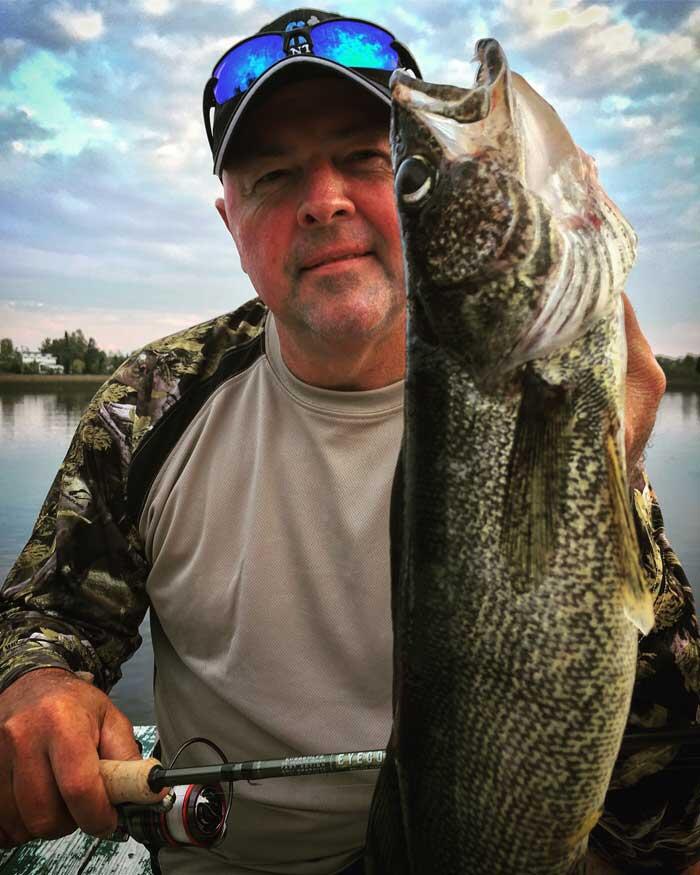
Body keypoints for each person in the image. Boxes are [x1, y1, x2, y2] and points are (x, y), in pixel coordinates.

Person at [0, 8, 698, 875]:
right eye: (276, 174)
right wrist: (39, 683)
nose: (323, 200)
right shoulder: (153, 402)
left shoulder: (538, 410)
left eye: (372, 162)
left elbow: (657, 751)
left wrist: (606, 480)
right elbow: (47, 612)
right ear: (231, 223)